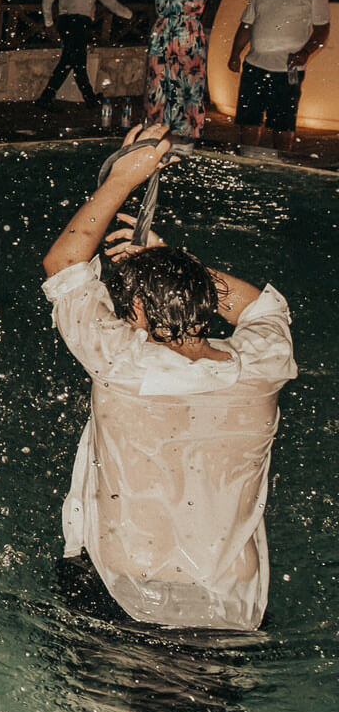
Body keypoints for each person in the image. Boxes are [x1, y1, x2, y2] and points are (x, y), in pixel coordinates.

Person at [41, 124, 296, 631]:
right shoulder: (264, 366)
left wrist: (121, 181)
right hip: (229, 612)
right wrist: (178, 267)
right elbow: (261, 307)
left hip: (123, 597)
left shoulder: (123, 365)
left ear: (135, 307)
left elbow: (64, 263)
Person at [229, 0, 328, 157]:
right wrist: (235, 53)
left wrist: (306, 52)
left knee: (283, 123)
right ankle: (247, 161)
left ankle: (281, 164)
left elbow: (321, 30)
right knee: (249, 119)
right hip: (255, 66)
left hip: (287, 71)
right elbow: (247, 24)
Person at [143, 0, 216, 140]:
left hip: (190, 39)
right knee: (158, 85)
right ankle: (157, 133)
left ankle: (188, 135)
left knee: (189, 87)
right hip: (162, 38)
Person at [37, 0, 134, 110]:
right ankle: (88, 99)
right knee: (77, 61)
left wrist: (49, 23)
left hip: (64, 21)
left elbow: (47, 0)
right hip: (80, 22)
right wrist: (128, 14)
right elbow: (108, 0)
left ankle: (48, 96)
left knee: (69, 60)